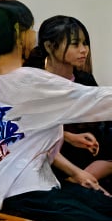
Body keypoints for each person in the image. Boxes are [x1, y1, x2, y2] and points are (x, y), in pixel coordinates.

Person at [0, 0, 112, 221]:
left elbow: (25, 126)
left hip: (13, 185)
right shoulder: (27, 80)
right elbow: (99, 101)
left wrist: (68, 141)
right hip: (26, 194)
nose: (34, 35)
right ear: (19, 34)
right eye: (31, 28)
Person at [24, 15, 112, 190]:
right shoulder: (34, 79)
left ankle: (85, 179)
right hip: (54, 155)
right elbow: (33, 131)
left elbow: (98, 121)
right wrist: (69, 137)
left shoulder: (84, 79)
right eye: (75, 44)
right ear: (49, 46)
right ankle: (80, 181)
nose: (83, 50)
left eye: (85, 43)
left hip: (85, 150)